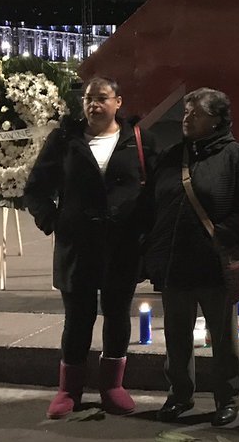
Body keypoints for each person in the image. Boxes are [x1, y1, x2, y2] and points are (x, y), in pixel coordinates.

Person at [24, 76, 155, 419]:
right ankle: (69, 390)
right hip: (77, 247)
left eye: (102, 98)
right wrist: (54, 221)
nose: (94, 105)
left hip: (122, 247)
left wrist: (145, 231)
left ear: (118, 102)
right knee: (78, 319)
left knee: (116, 315)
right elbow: (36, 188)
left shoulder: (137, 140)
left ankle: (113, 386)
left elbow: (154, 190)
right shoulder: (66, 139)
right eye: (88, 99)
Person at [142, 87, 239, 427]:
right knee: (176, 337)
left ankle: (227, 399)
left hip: (214, 265)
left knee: (223, 339)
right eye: (185, 111)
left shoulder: (238, 156)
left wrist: (225, 235)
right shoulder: (171, 157)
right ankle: (179, 395)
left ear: (217, 120)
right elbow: (151, 203)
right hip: (175, 264)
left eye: (196, 113)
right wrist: (151, 246)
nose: (186, 118)